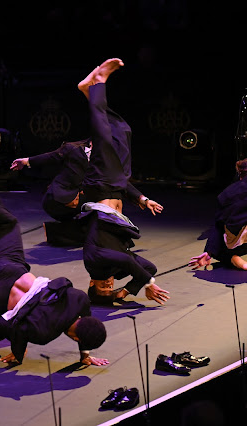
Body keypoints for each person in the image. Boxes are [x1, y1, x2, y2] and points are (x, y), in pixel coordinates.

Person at [0, 168, 108, 366]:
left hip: (11, 270)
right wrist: (18, 354)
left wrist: (85, 353)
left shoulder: (79, 299)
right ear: (76, 339)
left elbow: (83, 318)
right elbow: (15, 330)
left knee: (8, 225)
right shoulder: (44, 333)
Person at [74, 58, 169, 306]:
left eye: (102, 288)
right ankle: (87, 90)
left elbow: (129, 262)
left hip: (100, 185)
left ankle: (99, 83)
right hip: (116, 184)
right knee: (121, 130)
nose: (108, 284)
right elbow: (149, 265)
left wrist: (147, 285)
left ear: (91, 284)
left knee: (104, 137)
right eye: (110, 288)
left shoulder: (95, 261)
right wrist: (142, 198)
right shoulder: (116, 269)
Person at [11, 138, 92, 246]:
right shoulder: (74, 149)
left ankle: (54, 232)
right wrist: (27, 161)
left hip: (77, 197)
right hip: (59, 197)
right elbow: (51, 157)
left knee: (94, 218)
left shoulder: (105, 158)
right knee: (99, 207)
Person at [189, 158, 247, 270]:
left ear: (240, 174)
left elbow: (218, 224)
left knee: (220, 249)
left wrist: (209, 252)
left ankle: (234, 260)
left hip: (238, 237)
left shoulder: (227, 193)